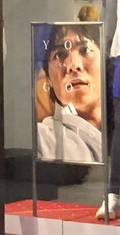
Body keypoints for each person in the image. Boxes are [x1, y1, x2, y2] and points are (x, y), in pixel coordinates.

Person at [35, 24, 104, 165]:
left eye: (85, 50)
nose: (73, 66)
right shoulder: (43, 139)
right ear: (48, 79)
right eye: (60, 55)